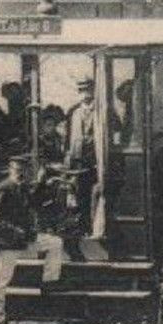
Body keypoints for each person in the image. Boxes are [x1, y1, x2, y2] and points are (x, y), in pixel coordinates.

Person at [0, 155, 35, 324]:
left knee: (55, 245)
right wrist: (14, 229)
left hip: (23, 240)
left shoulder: (24, 189)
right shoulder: (2, 188)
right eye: (17, 170)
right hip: (7, 241)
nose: (21, 174)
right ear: (10, 170)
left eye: (23, 170)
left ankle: (50, 283)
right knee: (1, 278)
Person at [63, 76, 100, 234]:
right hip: (77, 162)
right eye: (81, 90)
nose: (85, 94)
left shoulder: (102, 110)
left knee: (94, 195)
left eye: (87, 89)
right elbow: (68, 139)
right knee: (79, 195)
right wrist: (68, 159)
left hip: (96, 161)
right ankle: (81, 228)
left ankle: (94, 227)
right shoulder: (73, 112)